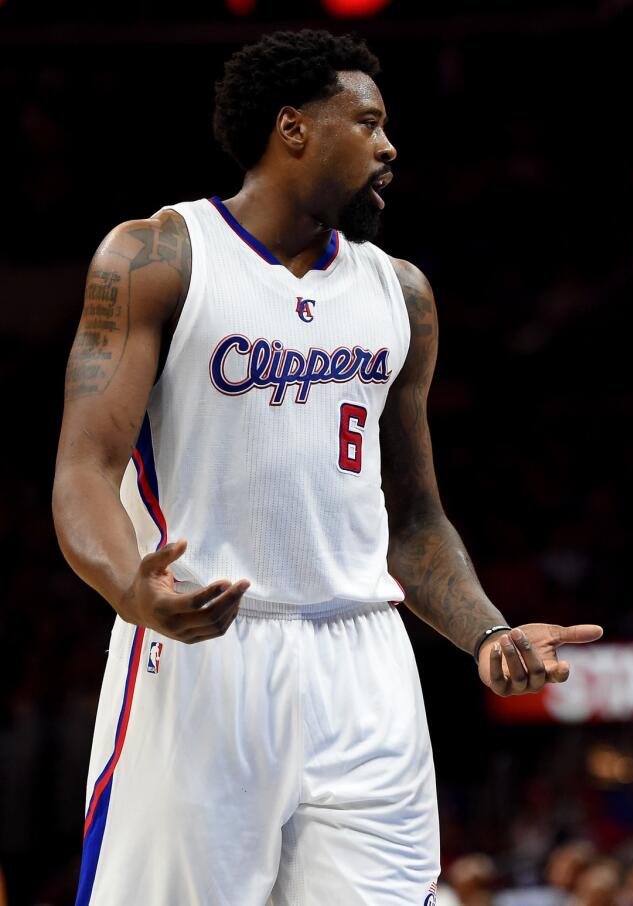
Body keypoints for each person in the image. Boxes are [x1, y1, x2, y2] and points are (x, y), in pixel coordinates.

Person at [52, 29, 602, 905]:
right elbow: (83, 470)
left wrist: (488, 632)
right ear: (292, 129)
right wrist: (132, 590)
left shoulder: (402, 294)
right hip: (205, 646)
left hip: (365, 665)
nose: (390, 147)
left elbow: (413, 520)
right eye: (369, 123)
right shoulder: (158, 256)